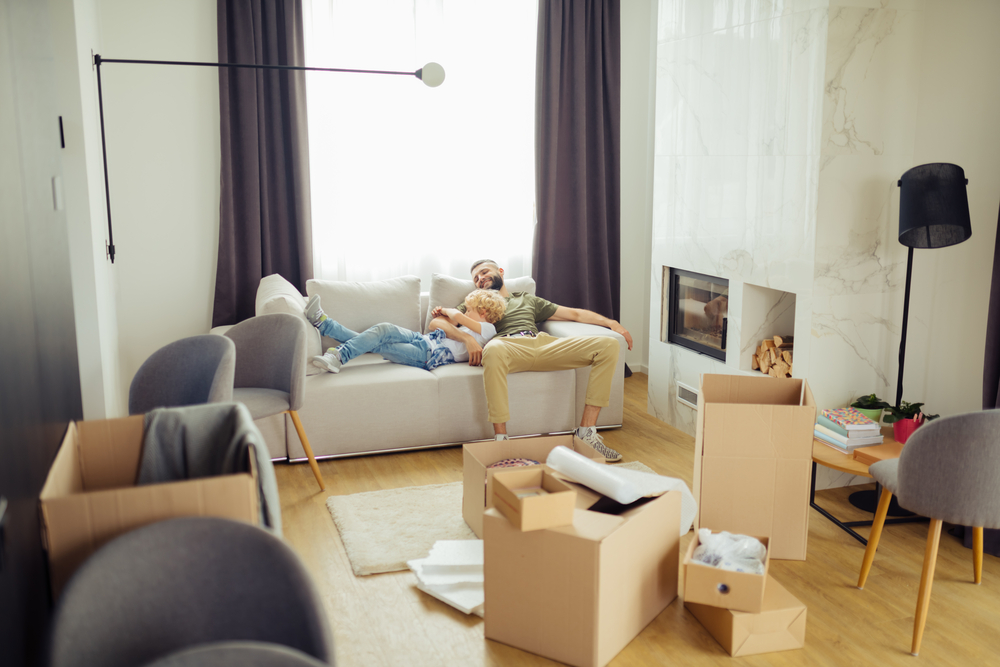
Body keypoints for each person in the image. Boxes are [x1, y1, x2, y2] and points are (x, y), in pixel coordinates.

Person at [428, 259, 633, 461]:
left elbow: (575, 314)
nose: (480, 279)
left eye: (484, 272)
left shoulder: (527, 299)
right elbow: (437, 322)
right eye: (476, 278)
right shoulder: (476, 301)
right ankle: (502, 440)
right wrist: (467, 338)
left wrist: (612, 323)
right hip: (507, 348)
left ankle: (587, 433)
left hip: (542, 345)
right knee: (493, 348)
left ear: (500, 271)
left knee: (608, 345)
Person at [305, 289, 506, 373]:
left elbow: (456, 315)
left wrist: (447, 311)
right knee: (384, 329)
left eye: (470, 309)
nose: (466, 312)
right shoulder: (469, 328)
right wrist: (447, 320)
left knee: (379, 342)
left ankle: (336, 353)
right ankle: (325, 328)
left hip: (427, 355)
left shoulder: (488, 329)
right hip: (423, 340)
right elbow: (436, 325)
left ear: (484, 312)